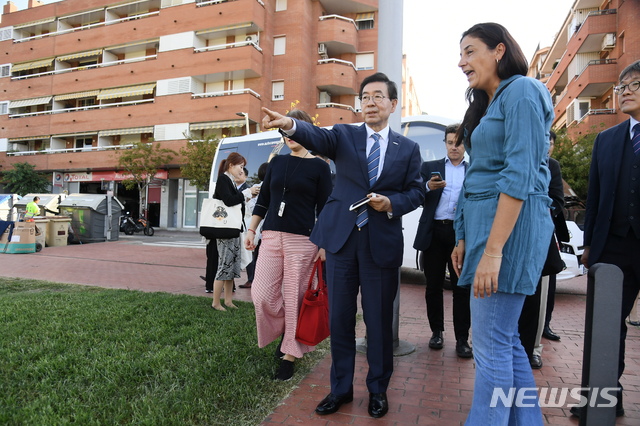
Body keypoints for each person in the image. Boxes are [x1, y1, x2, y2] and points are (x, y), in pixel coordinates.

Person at [261, 72, 424, 419]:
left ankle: (378, 390)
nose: (370, 102)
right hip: (340, 241)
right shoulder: (344, 135)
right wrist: (290, 124)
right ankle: (340, 389)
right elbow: (315, 136)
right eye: (365, 96)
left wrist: (391, 203)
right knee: (340, 319)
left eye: (378, 96)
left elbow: (417, 191)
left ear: (393, 104)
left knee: (379, 322)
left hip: (380, 243)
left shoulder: (408, 148)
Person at [450, 23, 554, 425]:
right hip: (483, 232)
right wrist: (462, 237)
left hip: (507, 235)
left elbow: (520, 176)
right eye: (460, 54)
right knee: (506, 342)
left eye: (469, 51)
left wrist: (492, 252)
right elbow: (475, 176)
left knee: (491, 345)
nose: (461, 62)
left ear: (498, 50)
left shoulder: (524, 92)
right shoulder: (489, 103)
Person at [245, 110, 332, 381]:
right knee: (261, 296)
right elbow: (264, 200)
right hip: (271, 236)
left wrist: (323, 243)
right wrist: (252, 228)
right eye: (283, 132)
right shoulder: (277, 163)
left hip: (302, 241)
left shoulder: (319, 166)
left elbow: (326, 208)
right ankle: (286, 332)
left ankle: (290, 353)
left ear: (306, 131)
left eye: (292, 130)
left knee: (295, 298)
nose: (288, 137)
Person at [577, 60, 640, 419]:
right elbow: (596, 196)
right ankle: (603, 398)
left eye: (634, 84)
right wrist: (589, 246)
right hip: (613, 248)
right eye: (622, 86)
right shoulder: (606, 139)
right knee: (607, 328)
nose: (625, 90)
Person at [413, 123, 472, 358]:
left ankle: (462, 339)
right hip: (434, 233)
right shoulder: (430, 168)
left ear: (465, 144)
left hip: (461, 235)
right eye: (450, 142)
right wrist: (427, 186)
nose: (454, 147)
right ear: (445, 143)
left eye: (458, 143)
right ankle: (436, 332)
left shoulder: (474, 170)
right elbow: (413, 192)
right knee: (433, 286)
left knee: (461, 288)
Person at [518, 133, 565, 369]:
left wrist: (535, 209)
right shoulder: (516, 158)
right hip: (513, 239)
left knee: (538, 300)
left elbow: (557, 201)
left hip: (540, 240)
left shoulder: (551, 166)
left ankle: (534, 349)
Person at [211, 152, 257, 311]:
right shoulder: (224, 179)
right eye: (240, 166)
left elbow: (234, 202)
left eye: (243, 167)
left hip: (233, 229)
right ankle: (216, 302)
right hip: (225, 230)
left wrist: (245, 196)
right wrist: (245, 193)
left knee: (231, 266)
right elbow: (229, 201)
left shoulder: (229, 180)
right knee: (224, 266)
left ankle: (228, 301)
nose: (242, 170)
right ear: (231, 165)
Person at [542, 131, 563, 342]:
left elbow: (557, 201)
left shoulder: (552, 166)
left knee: (548, 282)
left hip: (545, 231)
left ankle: (545, 323)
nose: (547, 146)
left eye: (551, 143)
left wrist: (541, 211)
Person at [240, 163, 269, 289]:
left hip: (257, 228)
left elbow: (251, 207)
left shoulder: (256, 187)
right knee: (257, 255)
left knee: (256, 255)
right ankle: (255, 280)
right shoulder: (256, 188)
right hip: (259, 228)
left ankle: (254, 280)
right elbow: (252, 207)